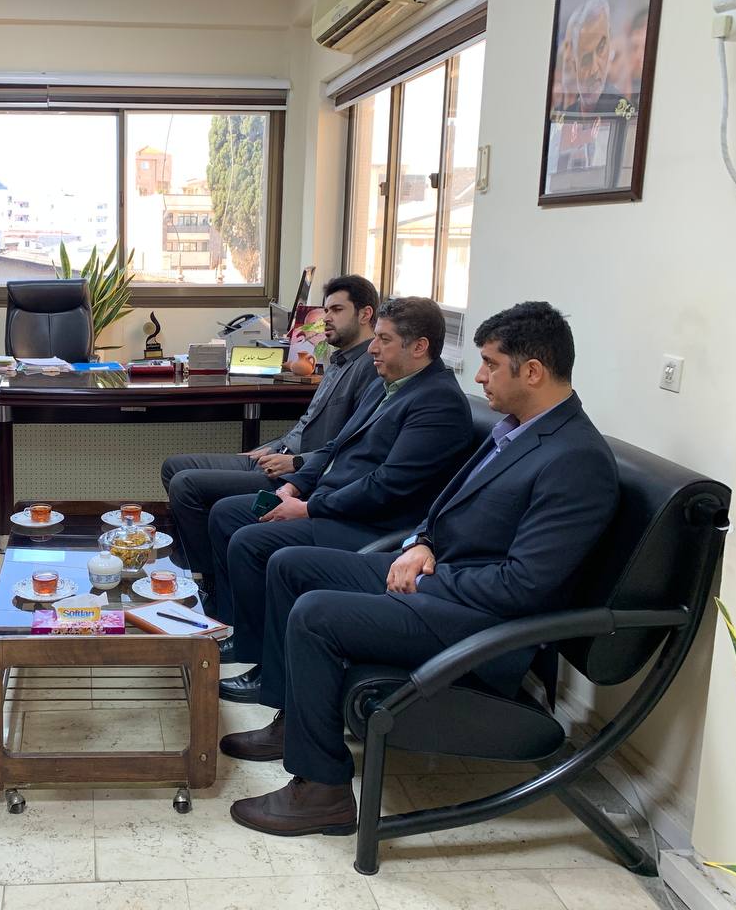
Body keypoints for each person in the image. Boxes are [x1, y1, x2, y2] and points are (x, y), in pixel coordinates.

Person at [222, 301, 619, 837]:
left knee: (315, 614)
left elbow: (527, 586)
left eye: (490, 364)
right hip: (442, 578)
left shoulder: (575, 459)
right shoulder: (518, 430)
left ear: (532, 371)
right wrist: (423, 543)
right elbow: (445, 503)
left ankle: (322, 791)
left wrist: (429, 573)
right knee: (292, 565)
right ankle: (292, 722)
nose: (479, 376)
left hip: (481, 621)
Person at [207, 297, 474, 696]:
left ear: (419, 346)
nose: (373, 348)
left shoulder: (439, 402)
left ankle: (271, 673)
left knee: (252, 542)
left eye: (384, 340)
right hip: (328, 501)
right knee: (227, 514)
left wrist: (308, 507)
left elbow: (387, 486)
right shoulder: (388, 384)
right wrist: (296, 484)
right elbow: (334, 446)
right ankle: (248, 637)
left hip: (368, 524)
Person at [161, 275, 380, 583]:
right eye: (326, 310)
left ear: (366, 314)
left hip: (296, 472)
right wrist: (273, 446)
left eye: (337, 310)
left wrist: (297, 462)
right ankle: (209, 568)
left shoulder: (372, 367)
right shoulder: (339, 360)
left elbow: (350, 446)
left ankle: (207, 580)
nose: (327, 318)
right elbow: (306, 423)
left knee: (186, 484)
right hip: (278, 454)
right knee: (174, 467)